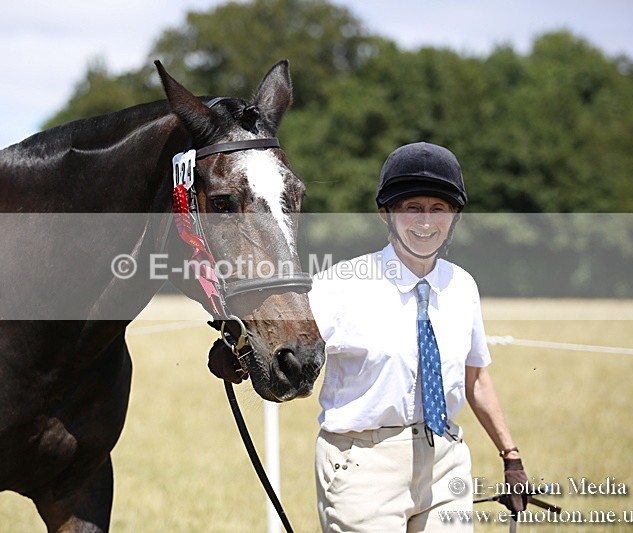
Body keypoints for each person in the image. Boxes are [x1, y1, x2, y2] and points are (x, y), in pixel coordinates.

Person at [208, 142, 528, 532]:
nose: (426, 222)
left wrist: (510, 455)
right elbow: (281, 333)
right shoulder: (340, 285)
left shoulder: (462, 286)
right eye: (412, 208)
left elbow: (475, 377)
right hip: (363, 467)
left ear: (455, 216)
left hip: (446, 463)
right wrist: (235, 351)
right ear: (386, 214)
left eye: (438, 208)